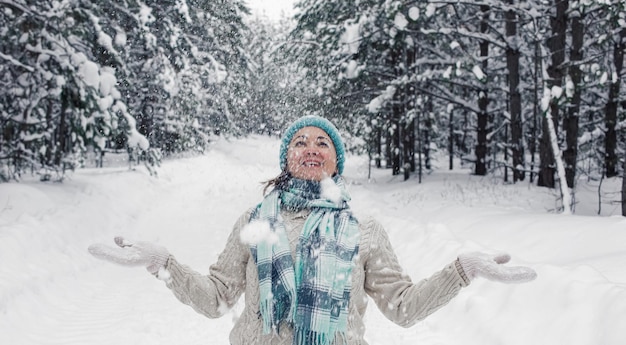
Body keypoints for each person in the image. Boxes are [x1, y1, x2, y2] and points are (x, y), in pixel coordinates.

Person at [89, 115, 536, 345]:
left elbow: (402, 308)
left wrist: (460, 270)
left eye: (322, 142)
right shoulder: (253, 222)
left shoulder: (365, 230)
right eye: (300, 142)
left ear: (335, 161)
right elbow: (217, 298)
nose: (310, 148)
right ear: (286, 159)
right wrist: (163, 264)